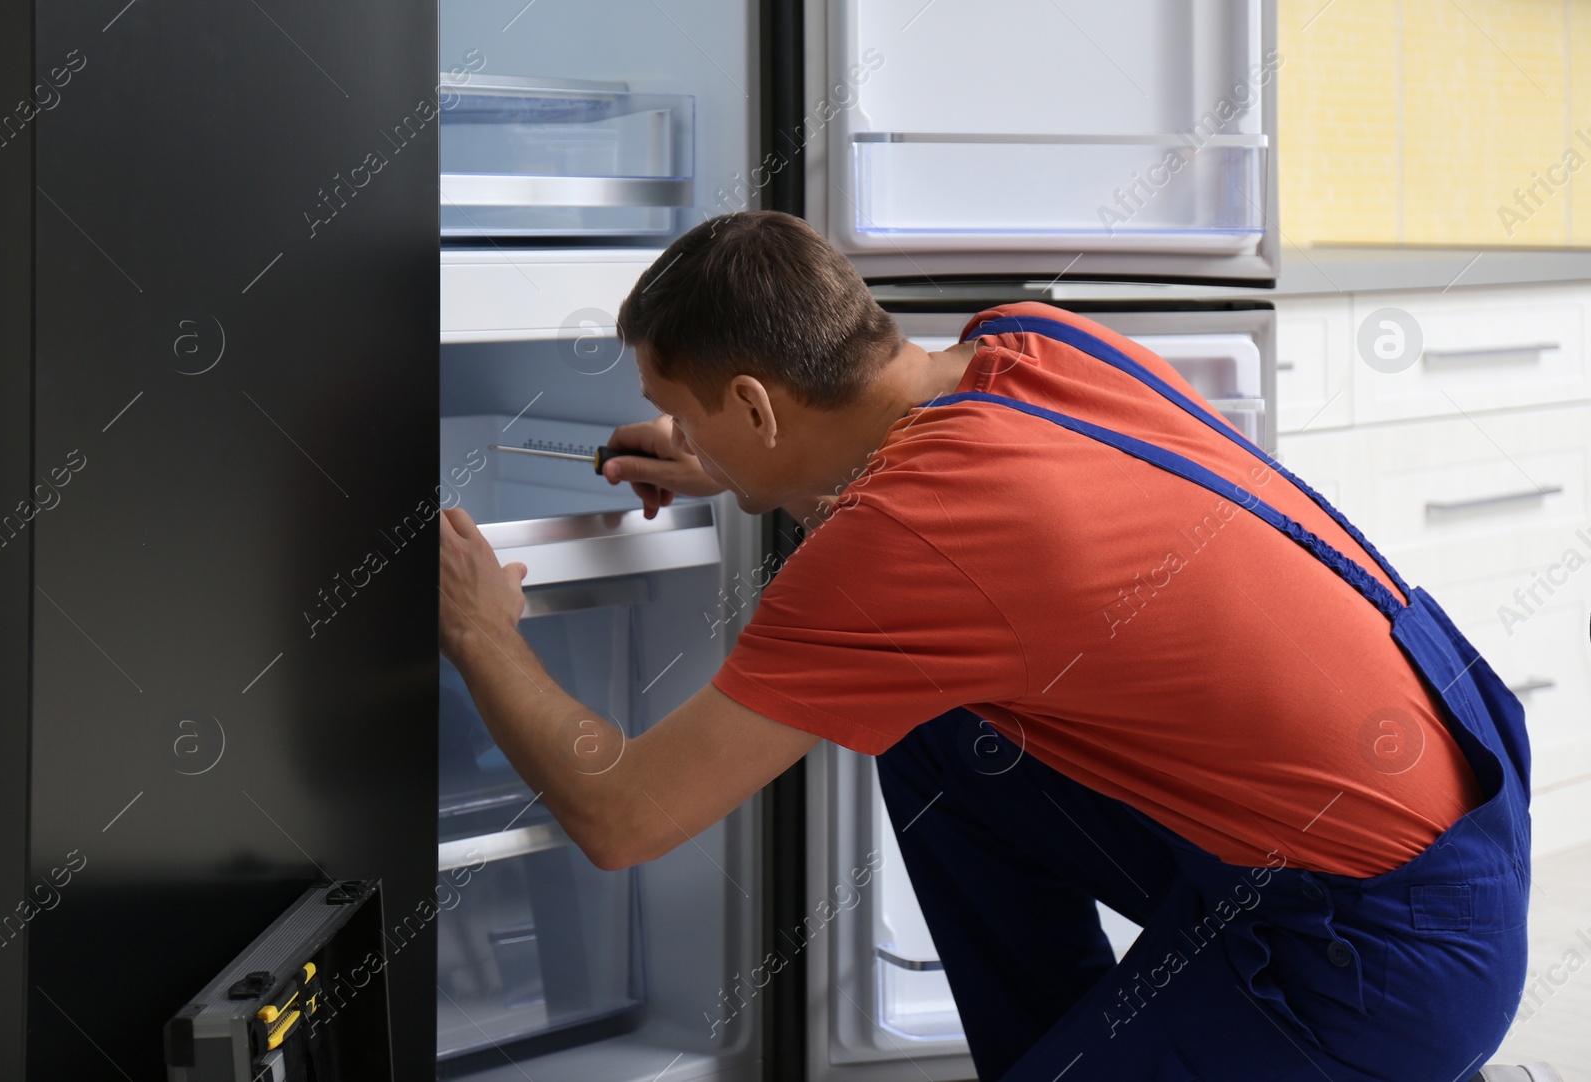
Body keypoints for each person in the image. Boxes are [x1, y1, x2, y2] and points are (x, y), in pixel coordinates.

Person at [438, 210, 1540, 1081]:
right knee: (939, 736)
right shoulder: (1025, 343)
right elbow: (958, 546)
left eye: (681, 410)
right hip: (1442, 823)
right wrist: (729, 460)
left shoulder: (903, 539)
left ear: (758, 406)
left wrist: (486, 631)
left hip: (1370, 957)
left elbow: (623, 814)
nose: (674, 430)